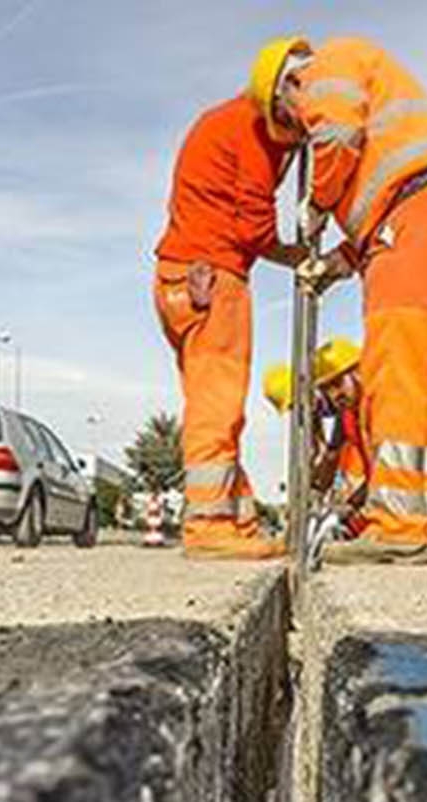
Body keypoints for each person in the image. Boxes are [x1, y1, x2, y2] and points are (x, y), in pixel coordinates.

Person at [251, 34, 427, 565]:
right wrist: (333, 266)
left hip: (412, 220)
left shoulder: (326, 70)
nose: (297, 131)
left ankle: (400, 525)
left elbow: (335, 136)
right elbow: (372, 225)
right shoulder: (373, 80)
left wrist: (315, 204)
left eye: (290, 121)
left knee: (394, 372)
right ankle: (420, 518)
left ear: (288, 86)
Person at [153, 83, 306, 560]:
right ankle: (209, 526)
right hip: (215, 276)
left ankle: (237, 521)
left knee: (212, 403)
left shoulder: (222, 120)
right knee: (219, 404)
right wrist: (299, 255)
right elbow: (254, 229)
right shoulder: (253, 130)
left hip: (178, 277)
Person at [264, 338, 427, 548]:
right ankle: (402, 528)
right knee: (364, 509)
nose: (334, 395)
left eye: (337, 383)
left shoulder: (385, 399)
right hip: (422, 472)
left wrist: (346, 506)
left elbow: (384, 472)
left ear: (359, 370)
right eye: (327, 389)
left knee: (375, 498)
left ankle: (410, 530)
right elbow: (337, 461)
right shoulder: (350, 412)